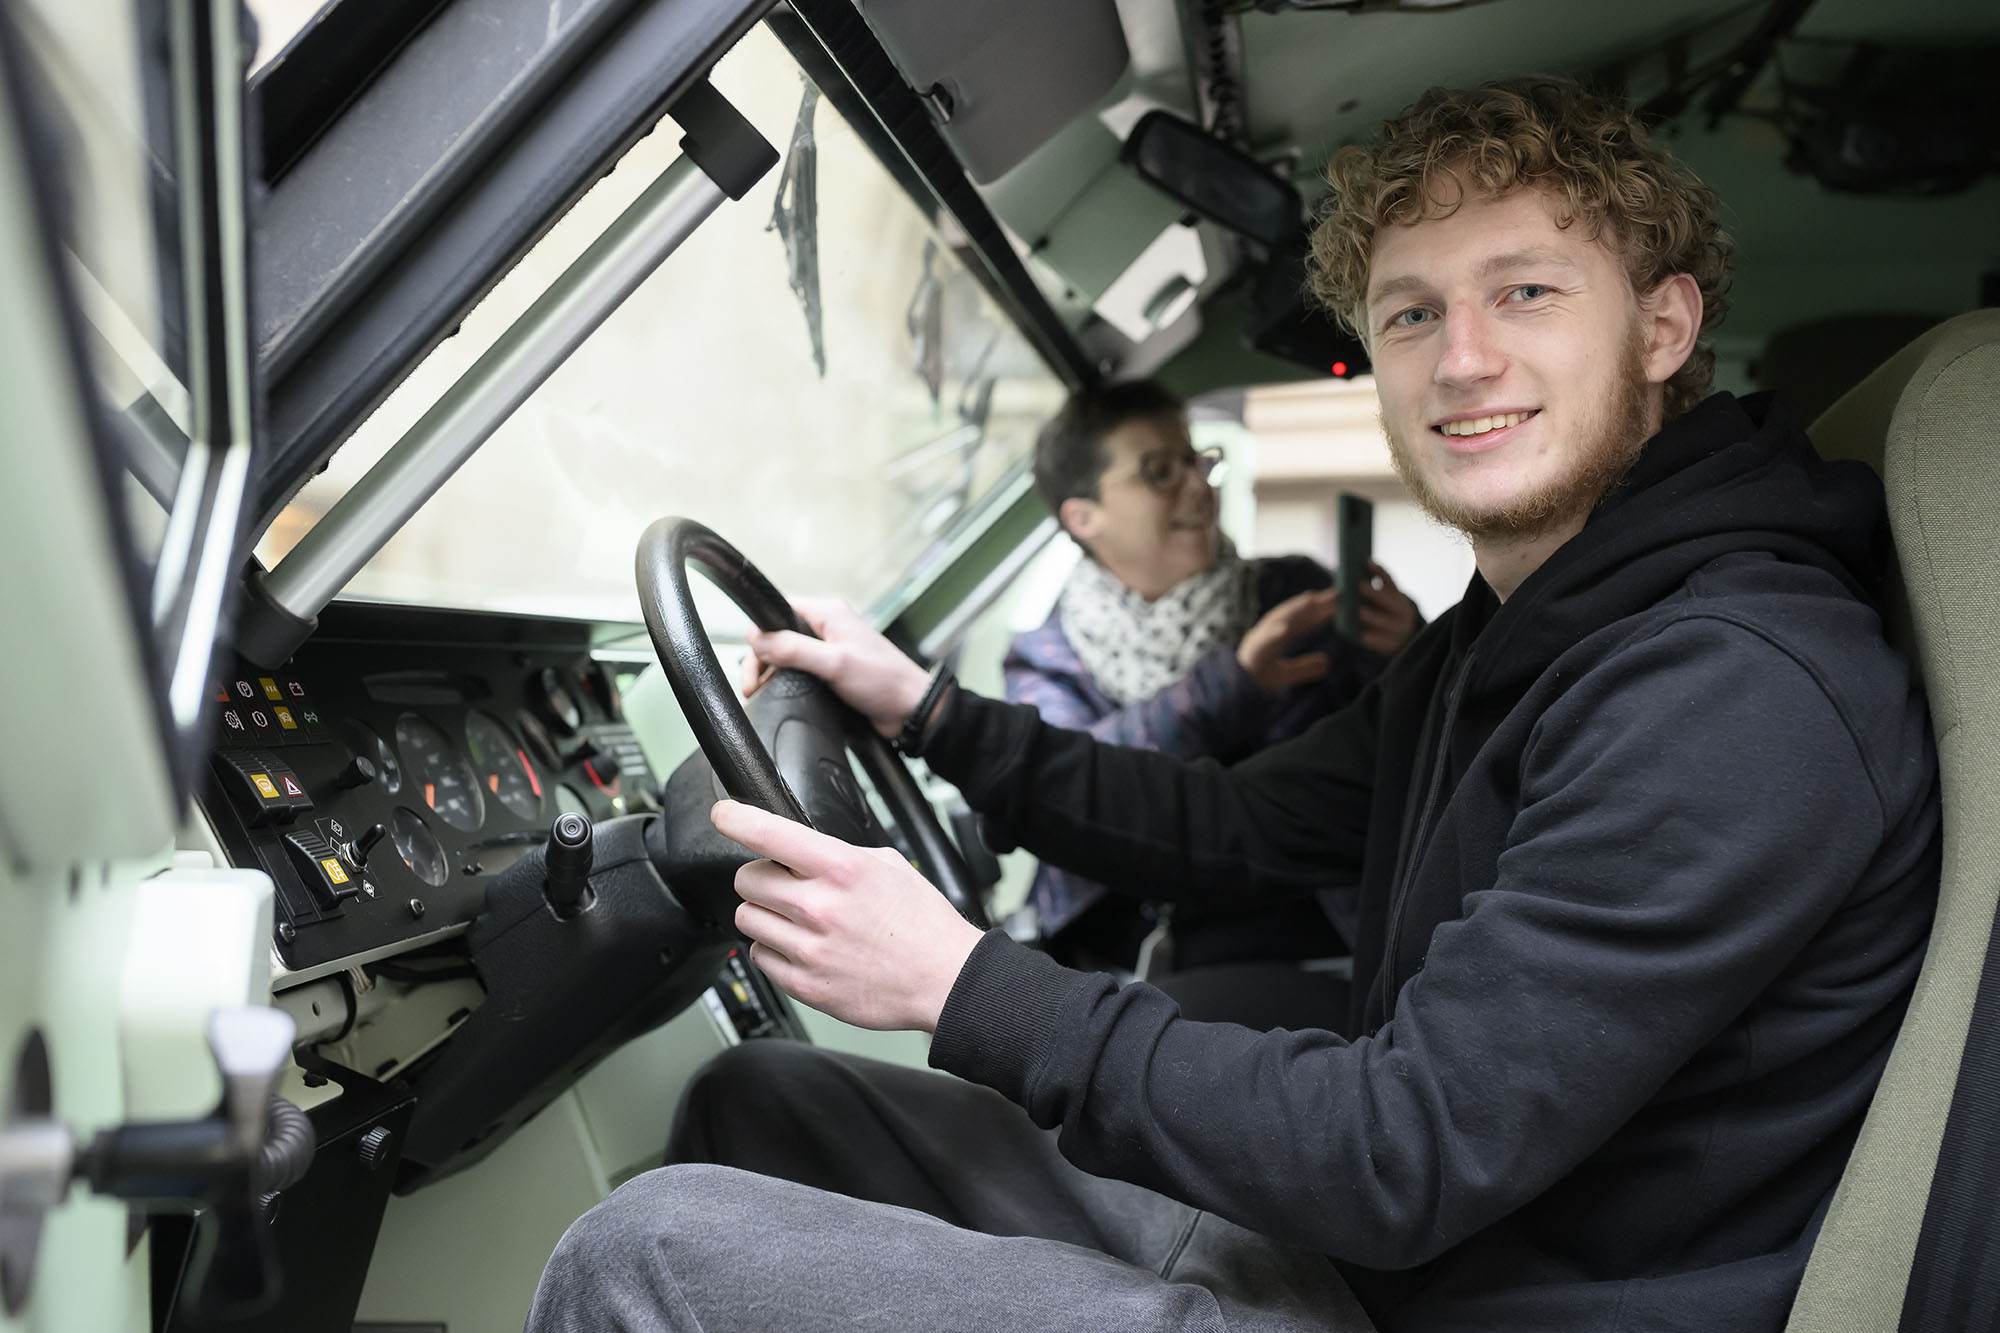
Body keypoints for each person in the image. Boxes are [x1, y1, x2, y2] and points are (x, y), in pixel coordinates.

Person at [526, 77, 1939, 1332]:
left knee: (641, 1255)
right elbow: (1233, 823)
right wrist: (928, 710)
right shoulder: (1514, 635)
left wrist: (963, 983)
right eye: (1411, 311)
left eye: (1526, 292)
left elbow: (1405, 1151)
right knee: (762, 1100)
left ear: (1663, 327)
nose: (1461, 357)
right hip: (1395, 1260)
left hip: (1461, 1291)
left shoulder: (1729, 686)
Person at [1006, 377, 1420, 981]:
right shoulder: (1047, 659)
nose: (1199, 487)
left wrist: (1410, 646)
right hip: (1128, 956)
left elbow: (1411, 740)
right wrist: (1235, 685)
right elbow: (1074, 786)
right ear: (1083, 516)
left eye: (1196, 462)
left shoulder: (1294, 593)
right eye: (1159, 472)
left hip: (1316, 942)